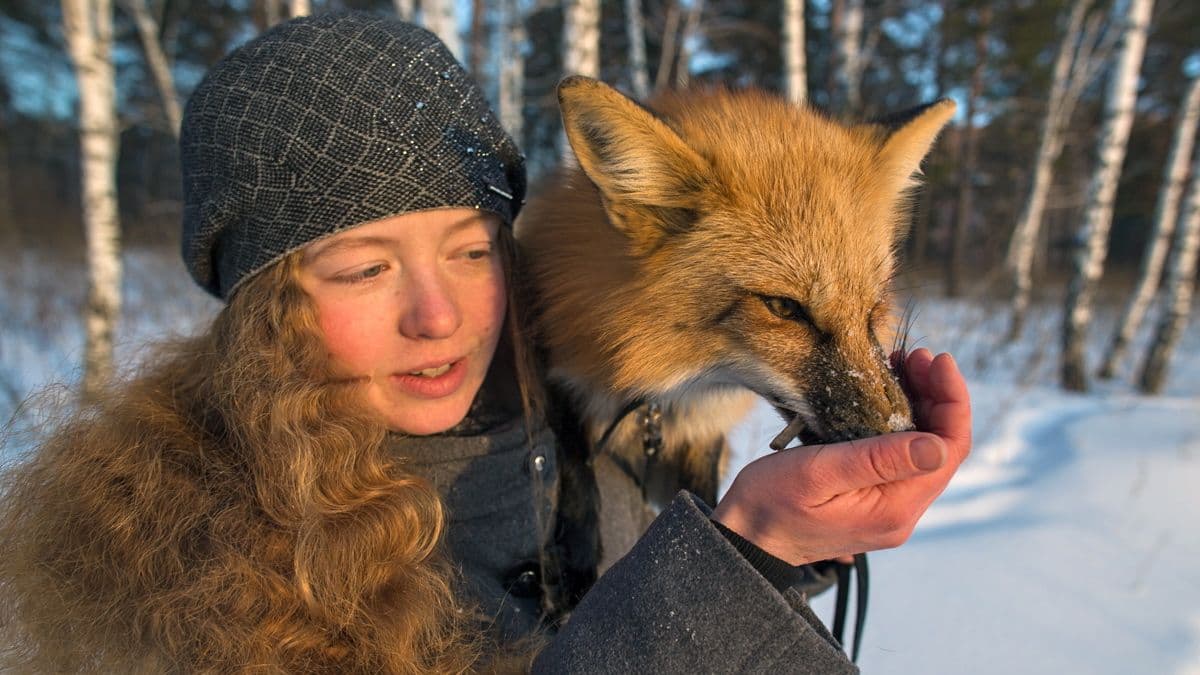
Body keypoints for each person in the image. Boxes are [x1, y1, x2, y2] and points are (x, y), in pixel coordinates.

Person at [0, 11, 971, 674]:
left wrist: (800, 549)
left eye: (472, 249)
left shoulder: (600, 419)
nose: (440, 316)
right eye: (362, 268)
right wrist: (748, 560)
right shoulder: (168, 554)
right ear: (262, 304)